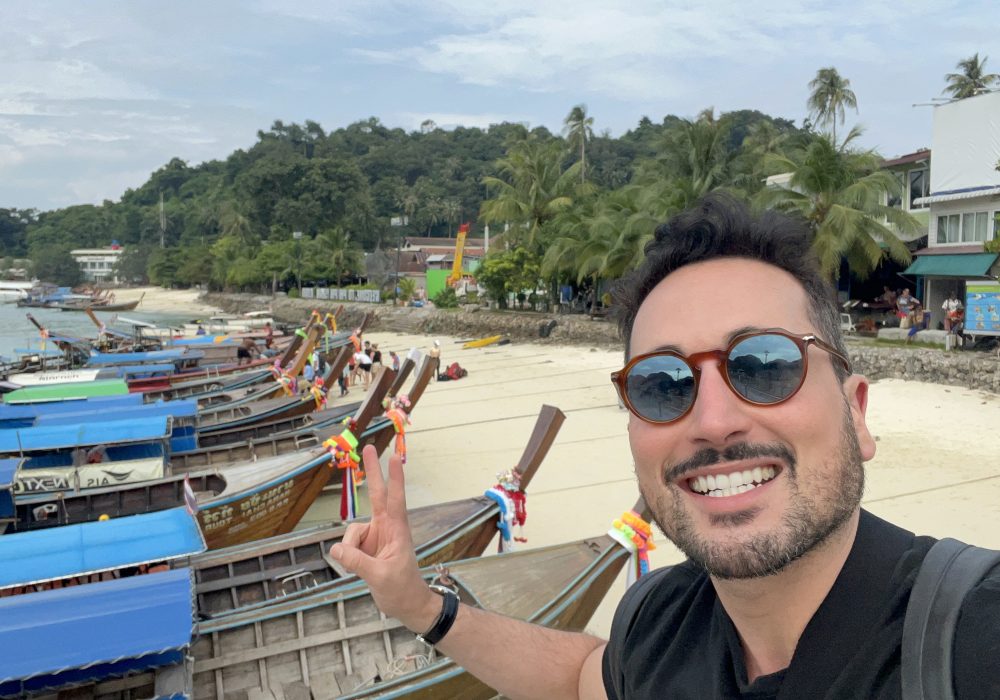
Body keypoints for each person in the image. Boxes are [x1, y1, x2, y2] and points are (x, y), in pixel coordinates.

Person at [328, 193, 1000, 699]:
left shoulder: (974, 637)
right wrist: (419, 605)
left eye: (764, 364)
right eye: (662, 383)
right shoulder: (657, 624)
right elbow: (577, 680)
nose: (712, 420)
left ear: (856, 414)